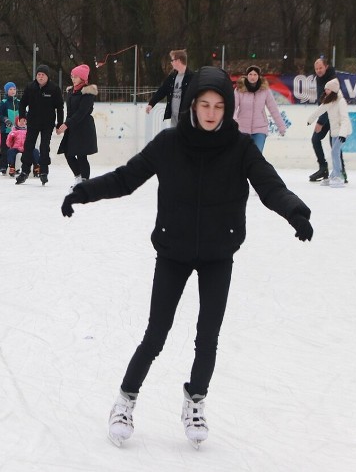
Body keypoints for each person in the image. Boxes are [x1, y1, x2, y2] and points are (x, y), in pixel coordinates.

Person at [60, 66, 313, 449]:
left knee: (207, 337)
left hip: (217, 254)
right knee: (155, 335)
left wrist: (295, 211)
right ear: (192, 106)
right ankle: (125, 400)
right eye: (204, 104)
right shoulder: (169, 143)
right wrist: (84, 191)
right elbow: (127, 178)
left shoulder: (240, 147)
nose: (211, 112)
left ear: (227, 109)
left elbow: (269, 185)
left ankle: (195, 401)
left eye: (218, 105)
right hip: (174, 252)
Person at [15, 64, 64, 185]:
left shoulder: (54, 88)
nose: (40, 77)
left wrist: (59, 124)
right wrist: (22, 116)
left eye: (43, 75)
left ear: (47, 76)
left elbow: (60, 107)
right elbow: (22, 103)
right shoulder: (30, 87)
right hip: (32, 122)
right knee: (28, 146)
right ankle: (25, 171)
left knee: (44, 146)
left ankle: (44, 171)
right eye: (38, 75)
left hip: (47, 123)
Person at [57, 64, 98, 188]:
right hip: (72, 127)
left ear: (82, 78)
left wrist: (67, 124)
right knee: (68, 153)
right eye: (72, 76)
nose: (73, 78)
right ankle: (78, 177)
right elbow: (69, 111)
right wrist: (63, 125)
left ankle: (84, 182)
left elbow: (82, 112)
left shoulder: (87, 93)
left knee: (81, 155)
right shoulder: (71, 92)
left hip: (83, 128)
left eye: (75, 76)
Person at [306, 78, 351, 188]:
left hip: (342, 132)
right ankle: (334, 175)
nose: (325, 91)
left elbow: (345, 119)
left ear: (333, 90)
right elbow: (320, 110)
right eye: (325, 89)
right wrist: (310, 120)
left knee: (335, 152)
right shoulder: (330, 101)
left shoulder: (341, 102)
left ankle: (339, 176)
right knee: (334, 152)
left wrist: (343, 134)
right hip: (335, 132)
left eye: (328, 89)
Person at [233, 65, 287, 152]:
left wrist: (281, 126)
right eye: (250, 74)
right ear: (247, 76)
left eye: (255, 74)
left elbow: (273, 109)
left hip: (260, 129)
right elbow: (233, 107)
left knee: (257, 156)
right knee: (243, 156)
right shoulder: (239, 90)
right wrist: (235, 120)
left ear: (259, 76)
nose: (252, 77)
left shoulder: (265, 90)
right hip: (242, 128)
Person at [308, 58, 346, 182]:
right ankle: (323, 168)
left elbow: (330, 103)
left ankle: (341, 171)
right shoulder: (319, 79)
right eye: (316, 69)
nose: (318, 71)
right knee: (315, 139)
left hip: (334, 118)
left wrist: (320, 122)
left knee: (334, 145)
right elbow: (322, 103)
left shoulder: (332, 79)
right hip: (325, 116)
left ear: (326, 67)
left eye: (321, 68)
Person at [145, 49, 194, 128]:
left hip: (186, 118)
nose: (171, 63)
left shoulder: (192, 77)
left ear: (178, 61)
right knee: (174, 138)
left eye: (172, 60)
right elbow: (162, 91)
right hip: (174, 117)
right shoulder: (172, 77)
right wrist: (151, 103)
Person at [0, 82, 19, 174]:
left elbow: (23, 113)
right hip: (6, 130)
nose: (13, 91)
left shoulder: (19, 102)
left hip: (17, 131)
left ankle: (15, 166)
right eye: (10, 89)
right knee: (5, 148)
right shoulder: (4, 102)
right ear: (6, 91)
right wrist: (5, 120)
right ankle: (3, 166)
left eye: (14, 89)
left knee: (16, 148)